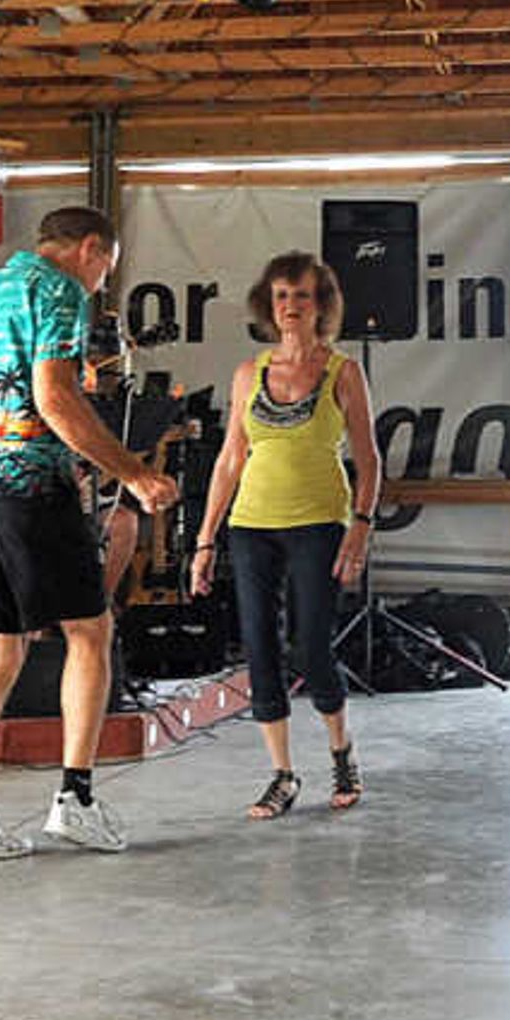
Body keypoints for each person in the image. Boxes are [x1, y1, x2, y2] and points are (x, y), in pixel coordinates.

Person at [0, 206, 180, 863]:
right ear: (90, 249)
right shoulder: (57, 289)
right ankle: (76, 800)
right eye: (105, 272)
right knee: (90, 631)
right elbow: (55, 400)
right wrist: (135, 473)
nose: (99, 286)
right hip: (24, 482)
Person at [188, 251, 384, 818]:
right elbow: (230, 459)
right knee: (260, 649)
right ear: (267, 306)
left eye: (302, 295)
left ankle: (341, 752)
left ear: (321, 304)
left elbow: (369, 461)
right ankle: (281, 774)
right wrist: (205, 541)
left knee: (311, 646)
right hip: (252, 527)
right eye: (281, 296)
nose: (291, 306)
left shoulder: (343, 372)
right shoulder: (249, 374)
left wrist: (361, 528)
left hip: (320, 524)